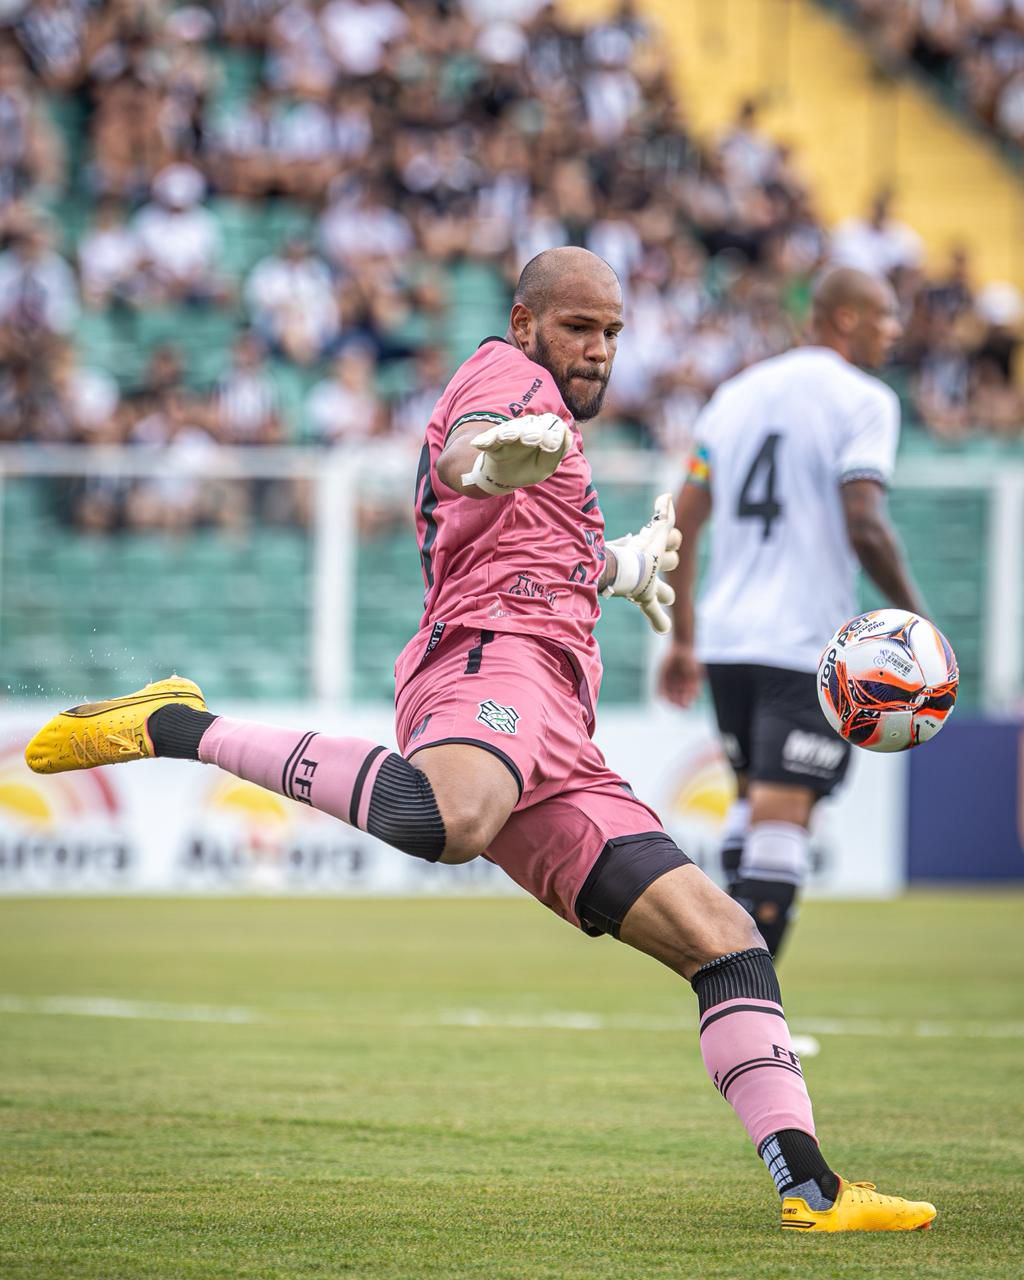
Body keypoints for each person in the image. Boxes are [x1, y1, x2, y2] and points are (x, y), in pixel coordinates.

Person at [25, 248, 934, 1233]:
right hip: (488, 659)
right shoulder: (510, 378)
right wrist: (488, 460)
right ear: (526, 321)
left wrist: (620, 565)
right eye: (578, 326)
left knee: (726, 941)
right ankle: (176, 723)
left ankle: (813, 1188)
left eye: (612, 332)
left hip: (559, 725)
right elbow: (468, 452)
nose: (599, 349)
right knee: (448, 820)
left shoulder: (554, 432)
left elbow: (532, 538)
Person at [658, 266, 927, 961]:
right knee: (782, 822)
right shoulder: (865, 399)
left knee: (752, 810)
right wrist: (916, 622)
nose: (894, 330)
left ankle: (727, 983)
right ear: (846, 318)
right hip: (803, 644)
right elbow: (865, 522)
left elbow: (683, 520)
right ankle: (744, 996)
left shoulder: (734, 396)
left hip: (727, 643)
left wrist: (683, 640)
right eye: (885, 315)